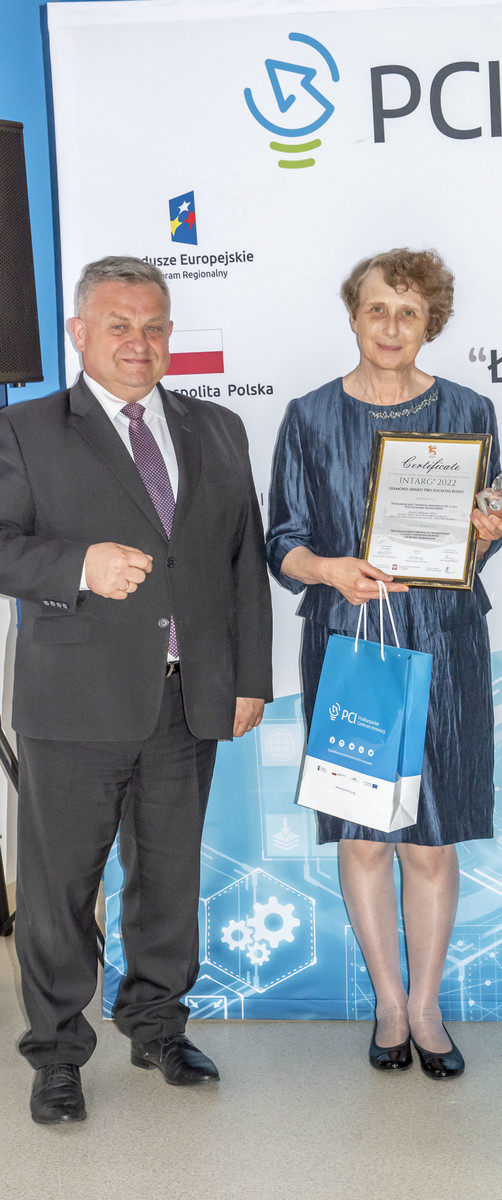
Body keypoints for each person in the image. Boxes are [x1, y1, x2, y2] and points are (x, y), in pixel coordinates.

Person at [0, 256, 272, 1124]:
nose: (138, 342)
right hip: (73, 703)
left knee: (167, 879)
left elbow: (242, 562)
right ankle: (56, 1054)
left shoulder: (217, 427)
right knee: (58, 892)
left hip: (187, 700)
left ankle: (157, 1027)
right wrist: (79, 566)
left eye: (154, 326)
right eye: (118, 325)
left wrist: (249, 678)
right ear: (79, 332)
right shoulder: (25, 429)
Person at [266, 248, 502, 1080]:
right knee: (365, 837)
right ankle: (386, 1003)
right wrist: (329, 569)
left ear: (429, 324)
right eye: (377, 308)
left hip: (443, 641)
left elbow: (470, 544)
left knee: (430, 841)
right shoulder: (309, 417)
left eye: (408, 312)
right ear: (353, 315)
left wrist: (484, 535)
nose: (390, 326)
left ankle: (426, 1007)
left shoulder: (468, 409)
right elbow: (281, 542)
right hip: (352, 641)